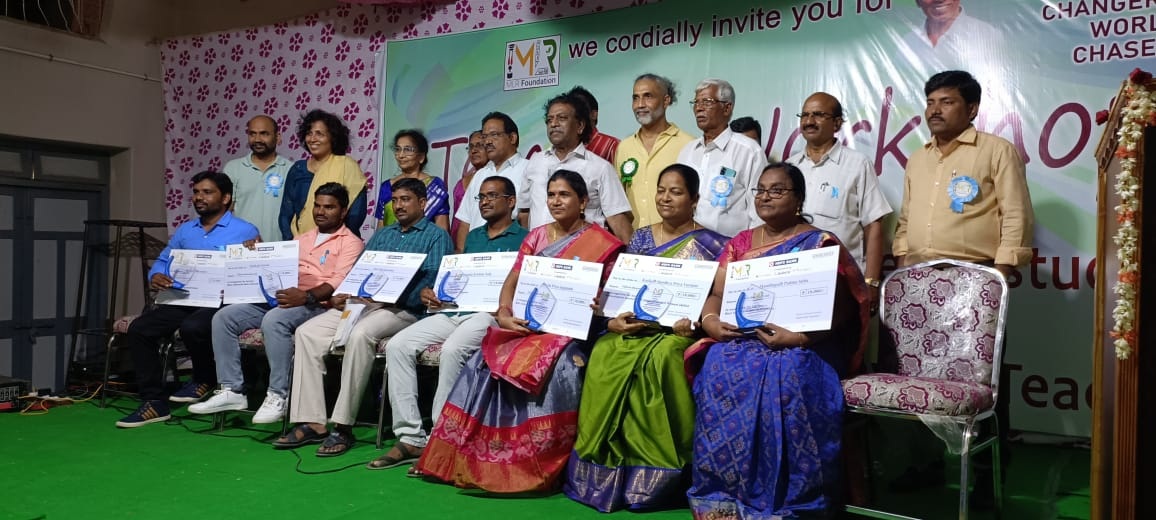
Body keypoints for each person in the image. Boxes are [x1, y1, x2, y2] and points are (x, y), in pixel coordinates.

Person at [417, 170, 625, 492]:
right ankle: (473, 455)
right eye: (551, 195)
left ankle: (537, 461)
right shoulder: (537, 237)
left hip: (573, 332)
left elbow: (610, 300)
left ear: (583, 201)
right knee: (485, 360)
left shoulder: (604, 243)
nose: (556, 201)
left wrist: (599, 305)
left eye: (564, 195)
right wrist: (503, 314)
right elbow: (512, 282)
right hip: (527, 326)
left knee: (560, 366)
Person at [686, 162, 870, 519]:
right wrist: (711, 323)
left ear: (798, 199)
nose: (765, 197)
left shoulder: (820, 243)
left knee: (790, 372)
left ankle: (790, 498)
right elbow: (717, 294)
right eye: (760, 190)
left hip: (808, 342)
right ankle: (725, 496)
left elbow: (843, 307)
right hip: (747, 338)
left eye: (777, 190)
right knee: (718, 362)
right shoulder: (741, 243)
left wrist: (799, 336)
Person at [890, 69, 1033, 507]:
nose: (935, 110)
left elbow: (1016, 214)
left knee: (981, 381)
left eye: (947, 101)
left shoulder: (996, 151)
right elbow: (905, 220)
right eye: (931, 101)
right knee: (917, 375)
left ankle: (987, 478)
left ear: (971, 109)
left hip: (975, 283)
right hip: (920, 284)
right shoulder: (917, 158)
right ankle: (925, 464)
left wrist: (1000, 274)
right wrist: (904, 262)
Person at [564, 163, 729, 512]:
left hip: (679, 331)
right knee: (605, 350)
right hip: (637, 326)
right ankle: (602, 463)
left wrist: (696, 322)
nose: (665, 198)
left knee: (664, 357)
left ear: (694, 199)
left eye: (676, 192)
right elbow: (624, 288)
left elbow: (716, 299)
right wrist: (612, 318)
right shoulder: (640, 238)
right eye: (661, 190)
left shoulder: (715, 245)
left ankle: (664, 468)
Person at [273, 177, 452, 456]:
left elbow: (432, 282)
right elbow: (360, 271)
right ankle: (312, 422)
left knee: (360, 334)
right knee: (307, 333)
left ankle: (343, 426)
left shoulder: (436, 236)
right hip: (366, 304)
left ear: (422, 203)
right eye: (395, 200)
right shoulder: (384, 235)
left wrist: (393, 293)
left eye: (406, 200)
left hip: (404, 310)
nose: (399, 205)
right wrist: (345, 294)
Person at [368, 176, 529, 472]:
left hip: (491, 315)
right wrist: (434, 293)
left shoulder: (525, 239)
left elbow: (524, 286)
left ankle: (440, 440)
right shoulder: (474, 236)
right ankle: (410, 436)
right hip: (455, 310)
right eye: (481, 197)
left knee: (452, 350)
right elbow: (460, 280)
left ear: (511, 201)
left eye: (492, 196)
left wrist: (503, 305)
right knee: (398, 345)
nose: (485, 202)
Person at [189, 183, 363, 424]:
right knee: (224, 317)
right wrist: (257, 252)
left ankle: (278, 395)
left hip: (317, 305)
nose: (321, 211)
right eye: (317, 206)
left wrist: (306, 297)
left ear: (343, 211)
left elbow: (337, 281)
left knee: (274, 320)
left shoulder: (351, 242)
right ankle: (232, 390)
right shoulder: (302, 238)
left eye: (329, 207)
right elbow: (277, 267)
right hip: (282, 298)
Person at [115, 171, 260, 428]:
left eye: (207, 192)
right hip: (185, 298)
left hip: (220, 303)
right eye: (196, 192)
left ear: (226, 198)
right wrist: (156, 275)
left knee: (193, 327)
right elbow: (163, 261)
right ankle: (154, 402)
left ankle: (203, 378)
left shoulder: (244, 230)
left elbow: (254, 270)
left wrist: (252, 255)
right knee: (140, 329)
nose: (199, 197)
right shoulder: (185, 231)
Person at [787, 92, 892, 312]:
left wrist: (871, 282)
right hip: (794, 278)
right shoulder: (790, 167)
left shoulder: (857, 164)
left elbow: (873, 225)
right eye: (805, 115)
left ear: (836, 123)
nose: (809, 121)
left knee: (844, 334)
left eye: (818, 115)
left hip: (843, 281)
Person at [519, 92, 634, 244]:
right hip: (539, 253)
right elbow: (524, 212)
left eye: (561, 118)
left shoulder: (600, 168)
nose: (553, 124)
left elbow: (617, 219)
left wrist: (632, 255)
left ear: (580, 126)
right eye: (549, 120)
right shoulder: (535, 161)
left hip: (584, 252)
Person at [677, 78, 768, 237]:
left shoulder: (749, 151)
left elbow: (759, 209)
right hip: (686, 243)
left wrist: (750, 246)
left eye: (707, 102)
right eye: (696, 102)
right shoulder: (687, 151)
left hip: (730, 246)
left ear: (727, 108)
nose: (699, 108)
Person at [617, 73, 695, 230]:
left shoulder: (689, 145)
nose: (640, 104)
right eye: (635, 98)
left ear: (666, 101)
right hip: (635, 241)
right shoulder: (624, 147)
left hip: (676, 239)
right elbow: (619, 201)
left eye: (648, 96)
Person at [279, 109, 367, 240]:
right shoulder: (297, 169)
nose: (312, 139)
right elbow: (285, 214)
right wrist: (292, 243)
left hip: (339, 244)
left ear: (333, 137)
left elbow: (356, 214)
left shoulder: (347, 166)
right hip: (299, 244)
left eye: (319, 134)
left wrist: (333, 242)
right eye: (309, 133)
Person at [454, 112, 528, 253]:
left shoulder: (528, 169)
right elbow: (465, 221)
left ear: (512, 138)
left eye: (494, 135)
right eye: (485, 136)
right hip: (475, 253)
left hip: (509, 252)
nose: (487, 141)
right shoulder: (479, 175)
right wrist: (462, 254)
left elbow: (527, 219)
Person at [223, 115, 292, 241]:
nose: (257, 139)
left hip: (280, 247)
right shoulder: (233, 168)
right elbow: (224, 212)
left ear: (278, 137)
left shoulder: (290, 169)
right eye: (252, 134)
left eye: (264, 134)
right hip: (242, 245)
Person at [376, 129, 450, 232]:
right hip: (391, 241)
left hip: (426, 241)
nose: (401, 155)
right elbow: (381, 228)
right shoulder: (387, 186)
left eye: (407, 150)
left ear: (421, 157)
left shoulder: (435, 186)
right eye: (398, 149)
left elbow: (442, 228)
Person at [448, 130, 488, 242]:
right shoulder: (461, 183)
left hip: (480, 239)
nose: (474, 151)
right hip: (458, 240)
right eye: (471, 147)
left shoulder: (495, 181)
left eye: (479, 145)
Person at [568, 85, 619, 164]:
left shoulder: (613, 145)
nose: (574, 114)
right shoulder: (560, 147)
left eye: (579, 109)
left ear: (594, 114)